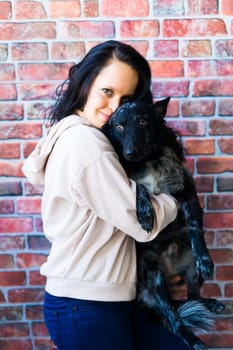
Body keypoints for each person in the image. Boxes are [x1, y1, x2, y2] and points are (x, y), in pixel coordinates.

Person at [22, 40, 188, 350]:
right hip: (87, 304)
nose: (115, 108)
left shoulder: (79, 133)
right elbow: (143, 222)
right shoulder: (86, 144)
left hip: (105, 297)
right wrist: (177, 197)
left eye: (126, 98)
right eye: (107, 92)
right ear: (85, 84)